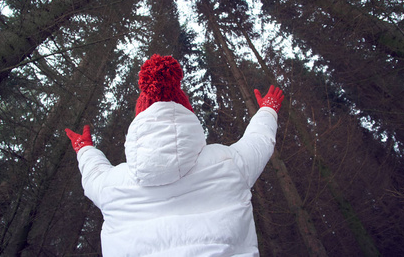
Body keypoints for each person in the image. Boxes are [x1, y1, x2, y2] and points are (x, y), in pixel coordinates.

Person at [65, 54, 284, 257]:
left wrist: (84, 148)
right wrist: (268, 110)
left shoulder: (113, 185)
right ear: (187, 113)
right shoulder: (226, 162)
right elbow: (259, 142)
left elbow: (94, 173)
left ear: (139, 121)